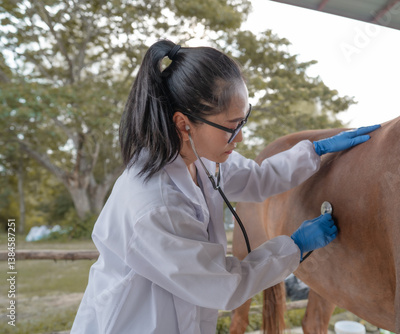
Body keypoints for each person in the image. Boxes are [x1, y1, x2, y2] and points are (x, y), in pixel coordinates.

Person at [71, 39, 380, 334]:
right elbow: (224, 285)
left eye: (243, 122)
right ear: (184, 124)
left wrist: (315, 151)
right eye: (232, 127)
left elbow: (258, 178)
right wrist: (295, 246)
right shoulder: (154, 204)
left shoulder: (199, 158)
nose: (240, 138)